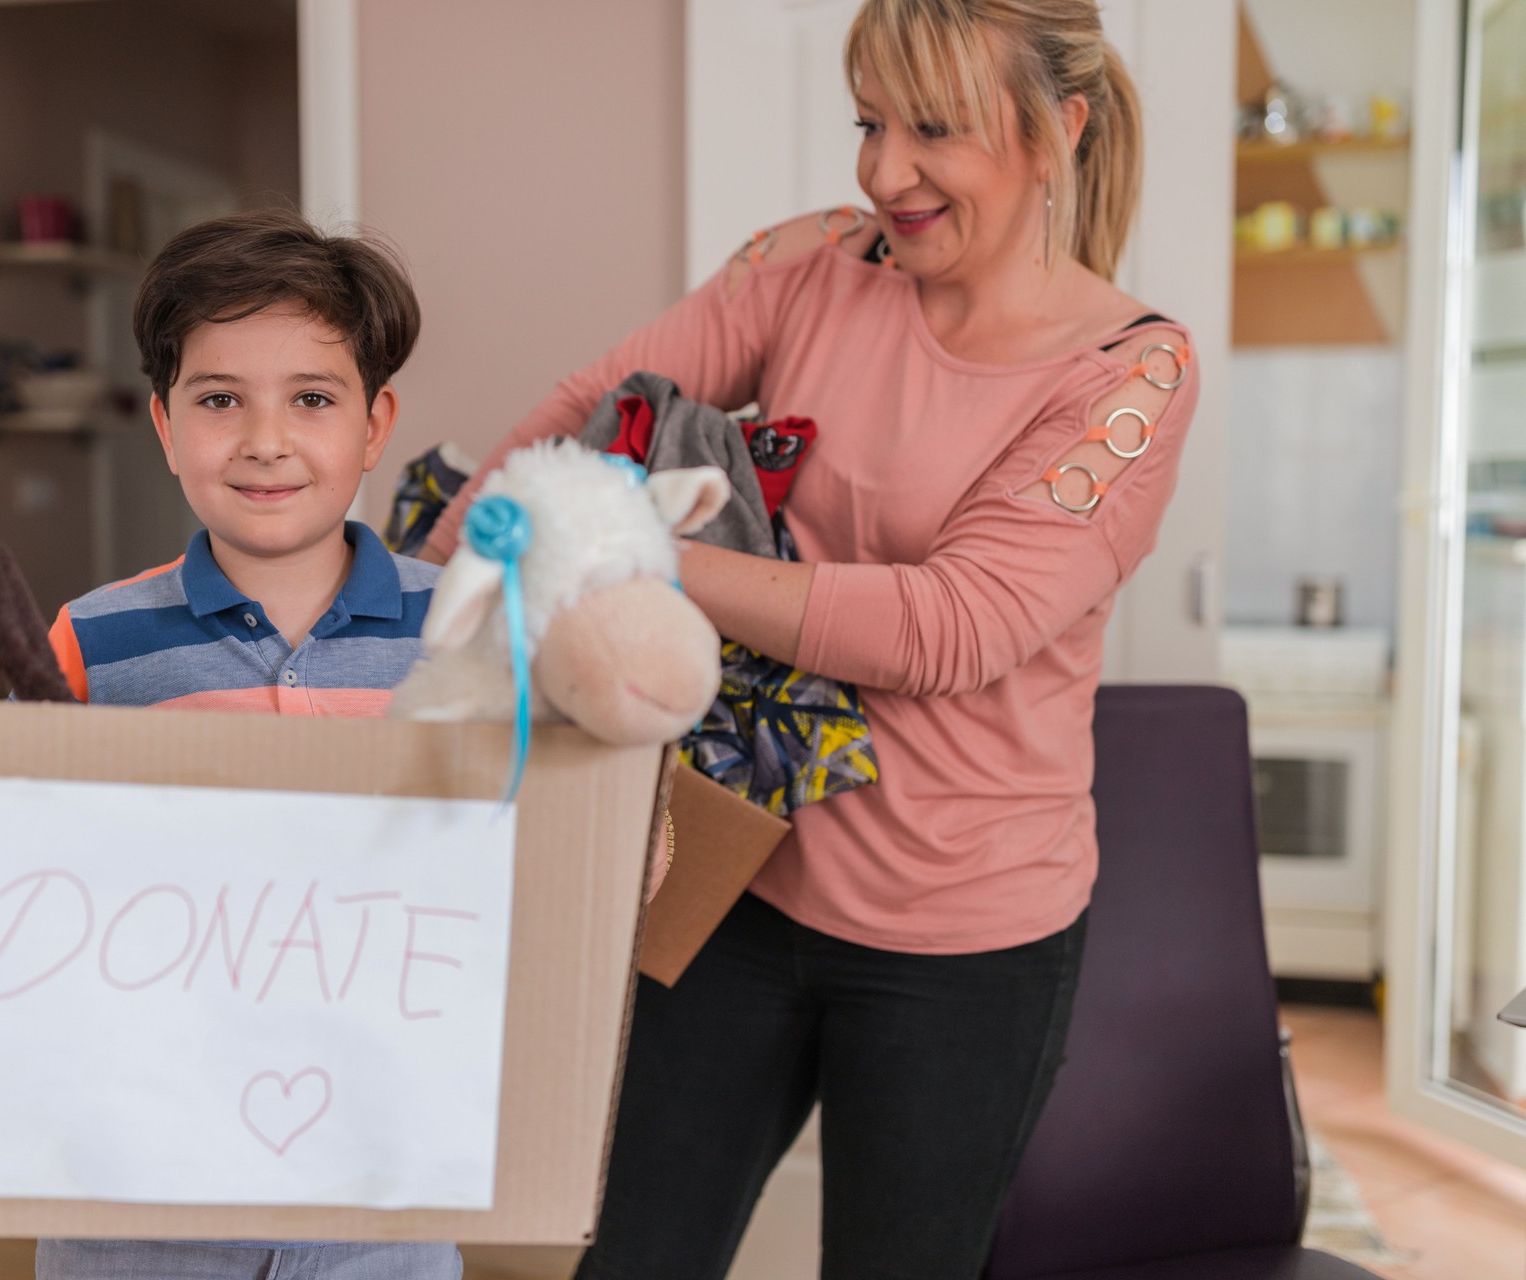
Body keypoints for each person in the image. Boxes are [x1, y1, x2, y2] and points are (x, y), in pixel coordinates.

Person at [423, 1, 1199, 1276]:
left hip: (964, 939)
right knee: (624, 1259)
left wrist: (641, 548)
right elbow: (593, 409)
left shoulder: (1128, 373)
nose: (883, 171)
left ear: (1058, 128)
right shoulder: (815, 261)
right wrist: (435, 585)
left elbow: (955, 624)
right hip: (739, 873)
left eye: (932, 129)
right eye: (869, 121)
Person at [41, 209, 458, 1280]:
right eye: (220, 400)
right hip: (137, 1196)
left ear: (375, 425)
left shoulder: (471, 634)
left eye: (312, 400)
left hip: (382, 1194)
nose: (265, 439)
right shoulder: (89, 640)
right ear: (166, 426)